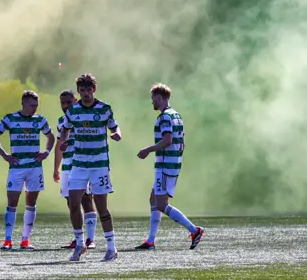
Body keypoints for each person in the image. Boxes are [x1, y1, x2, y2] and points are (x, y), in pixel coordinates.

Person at [58, 73, 121, 261]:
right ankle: (79, 245)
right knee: (74, 204)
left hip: (99, 165)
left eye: (88, 90)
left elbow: (115, 127)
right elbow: (65, 129)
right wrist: (63, 141)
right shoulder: (73, 111)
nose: (86, 93)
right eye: (82, 90)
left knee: (102, 208)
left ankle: (111, 247)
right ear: (78, 92)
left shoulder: (104, 109)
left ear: (94, 90)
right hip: (78, 164)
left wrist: (116, 134)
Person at [135, 83, 205, 250]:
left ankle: (194, 230)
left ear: (159, 97)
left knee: (160, 204)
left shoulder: (165, 117)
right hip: (171, 163)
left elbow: (168, 140)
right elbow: (182, 142)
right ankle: (150, 241)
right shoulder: (176, 115)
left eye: (153, 98)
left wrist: (148, 150)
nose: (152, 102)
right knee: (154, 199)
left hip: (166, 165)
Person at [0, 90, 55, 250]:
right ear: (23, 104)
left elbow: (51, 137)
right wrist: (5, 155)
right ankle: (7, 240)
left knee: (31, 203)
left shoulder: (40, 120)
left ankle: (25, 240)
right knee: (12, 203)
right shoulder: (10, 118)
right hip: (16, 168)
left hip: (34, 168)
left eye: (36, 105)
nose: (35, 109)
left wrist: (46, 152)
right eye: (32, 105)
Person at [53, 89, 98, 250]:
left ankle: (90, 239)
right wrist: (56, 168)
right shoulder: (60, 121)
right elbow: (58, 146)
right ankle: (78, 237)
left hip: (83, 164)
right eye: (62, 103)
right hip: (67, 165)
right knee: (71, 201)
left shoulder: (85, 116)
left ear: (76, 100)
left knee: (86, 198)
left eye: (68, 102)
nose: (65, 106)